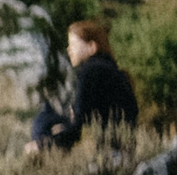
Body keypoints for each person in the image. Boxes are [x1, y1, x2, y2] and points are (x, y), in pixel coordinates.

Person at [27, 18, 138, 152]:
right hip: (122, 143)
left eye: (73, 45)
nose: (69, 50)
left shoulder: (92, 70)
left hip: (110, 147)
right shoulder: (108, 69)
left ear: (92, 47)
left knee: (44, 118)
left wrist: (43, 145)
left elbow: (79, 128)